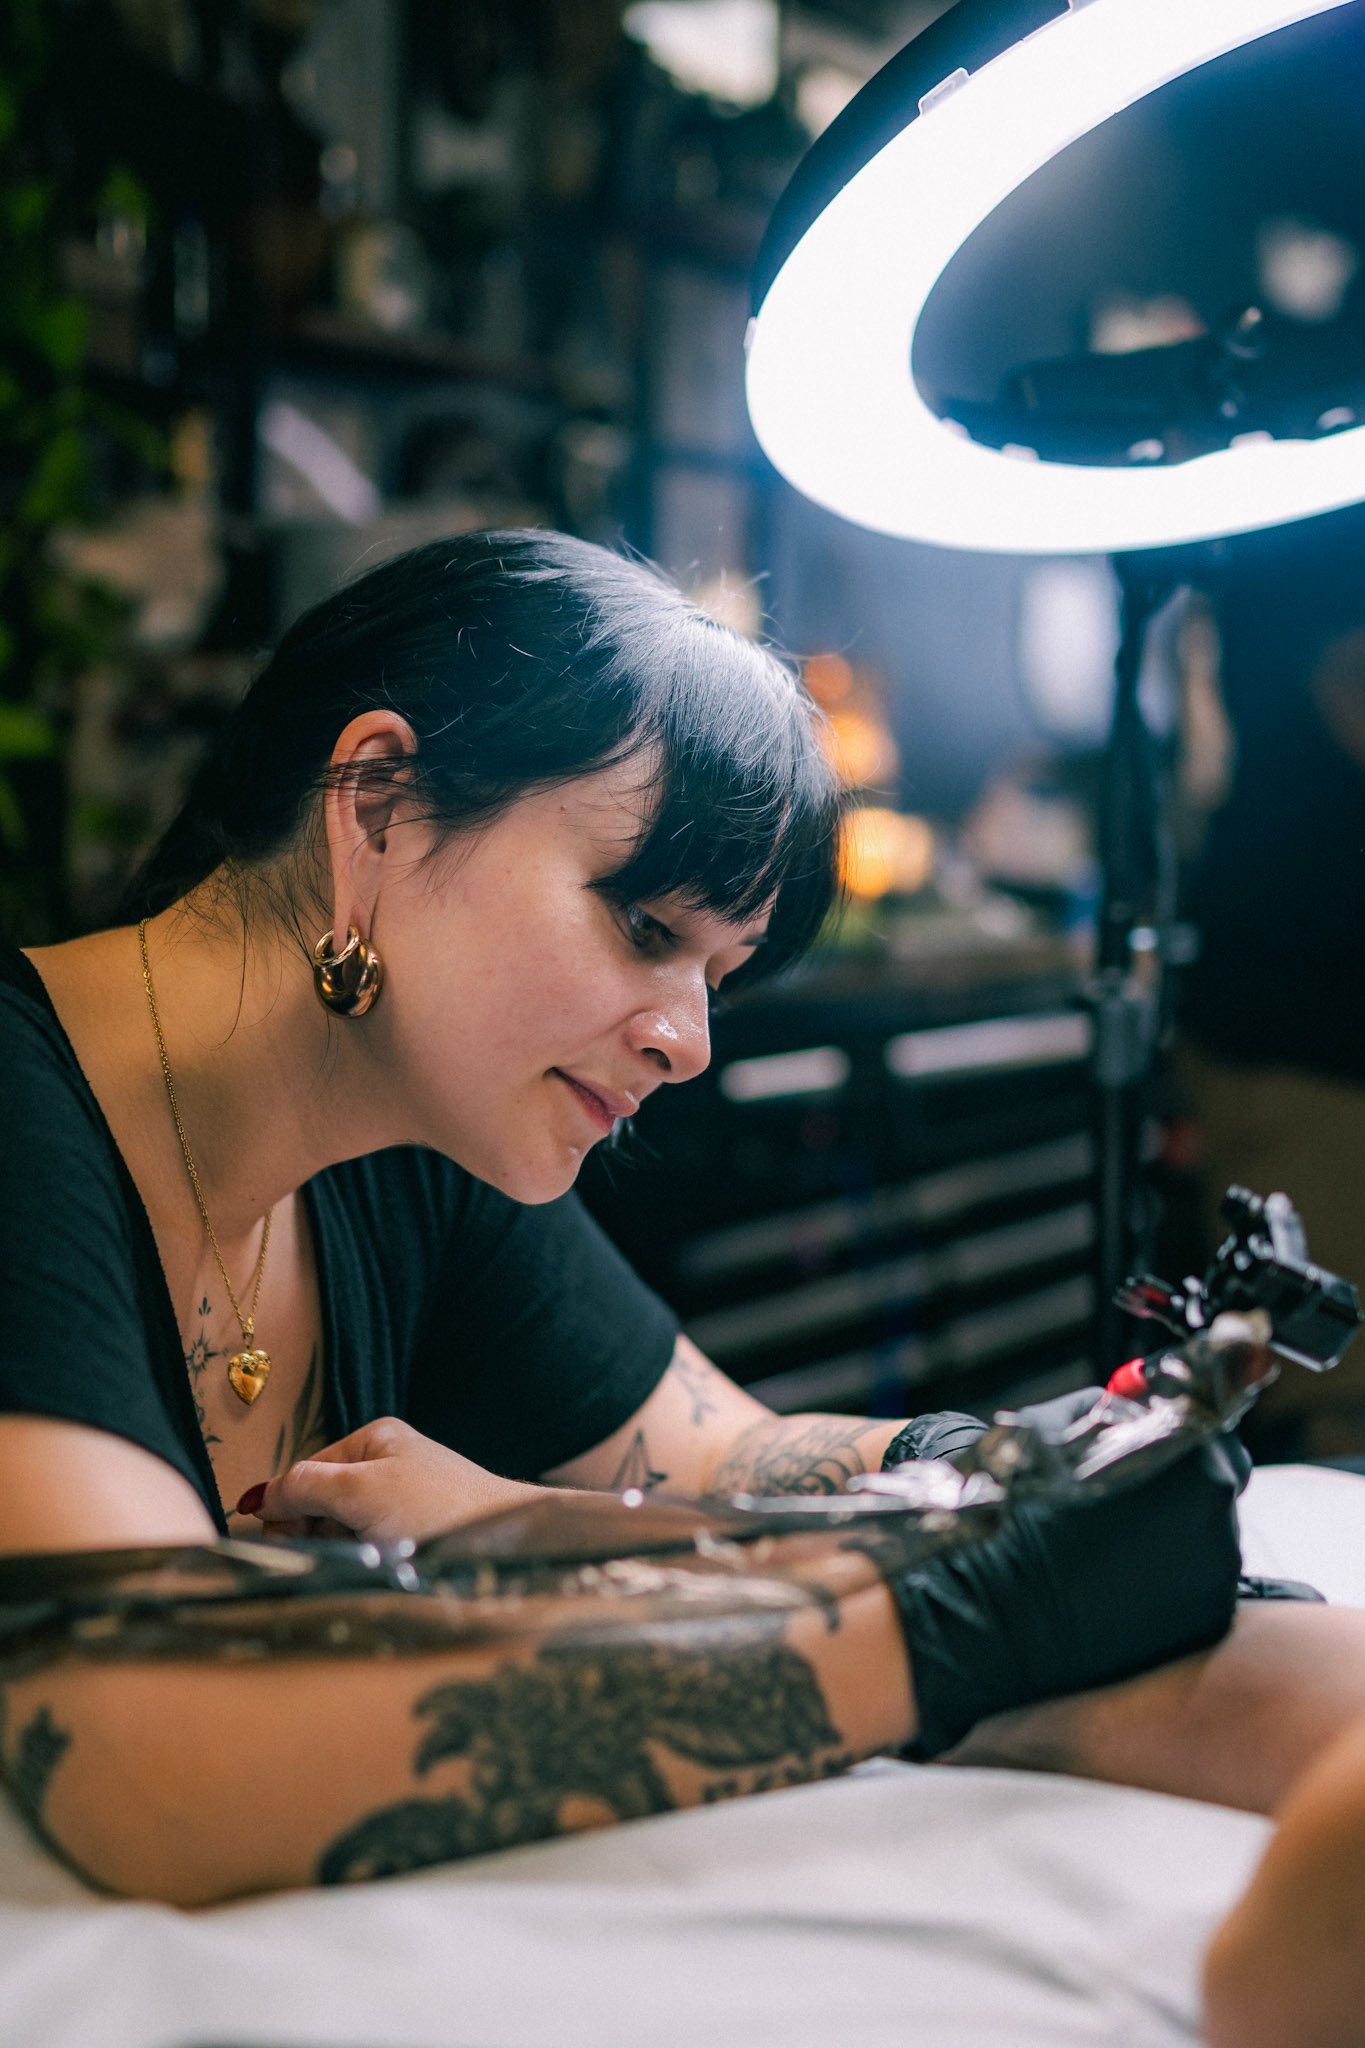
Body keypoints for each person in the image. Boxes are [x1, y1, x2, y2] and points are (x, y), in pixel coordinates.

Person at [0, 531, 1249, 1905]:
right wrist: (948, 1618)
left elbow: (725, 1455)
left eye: (718, 973)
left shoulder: (400, 1129)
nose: (688, 1043)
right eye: (649, 928)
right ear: (378, 810)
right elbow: (145, 1747)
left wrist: (996, 1469)